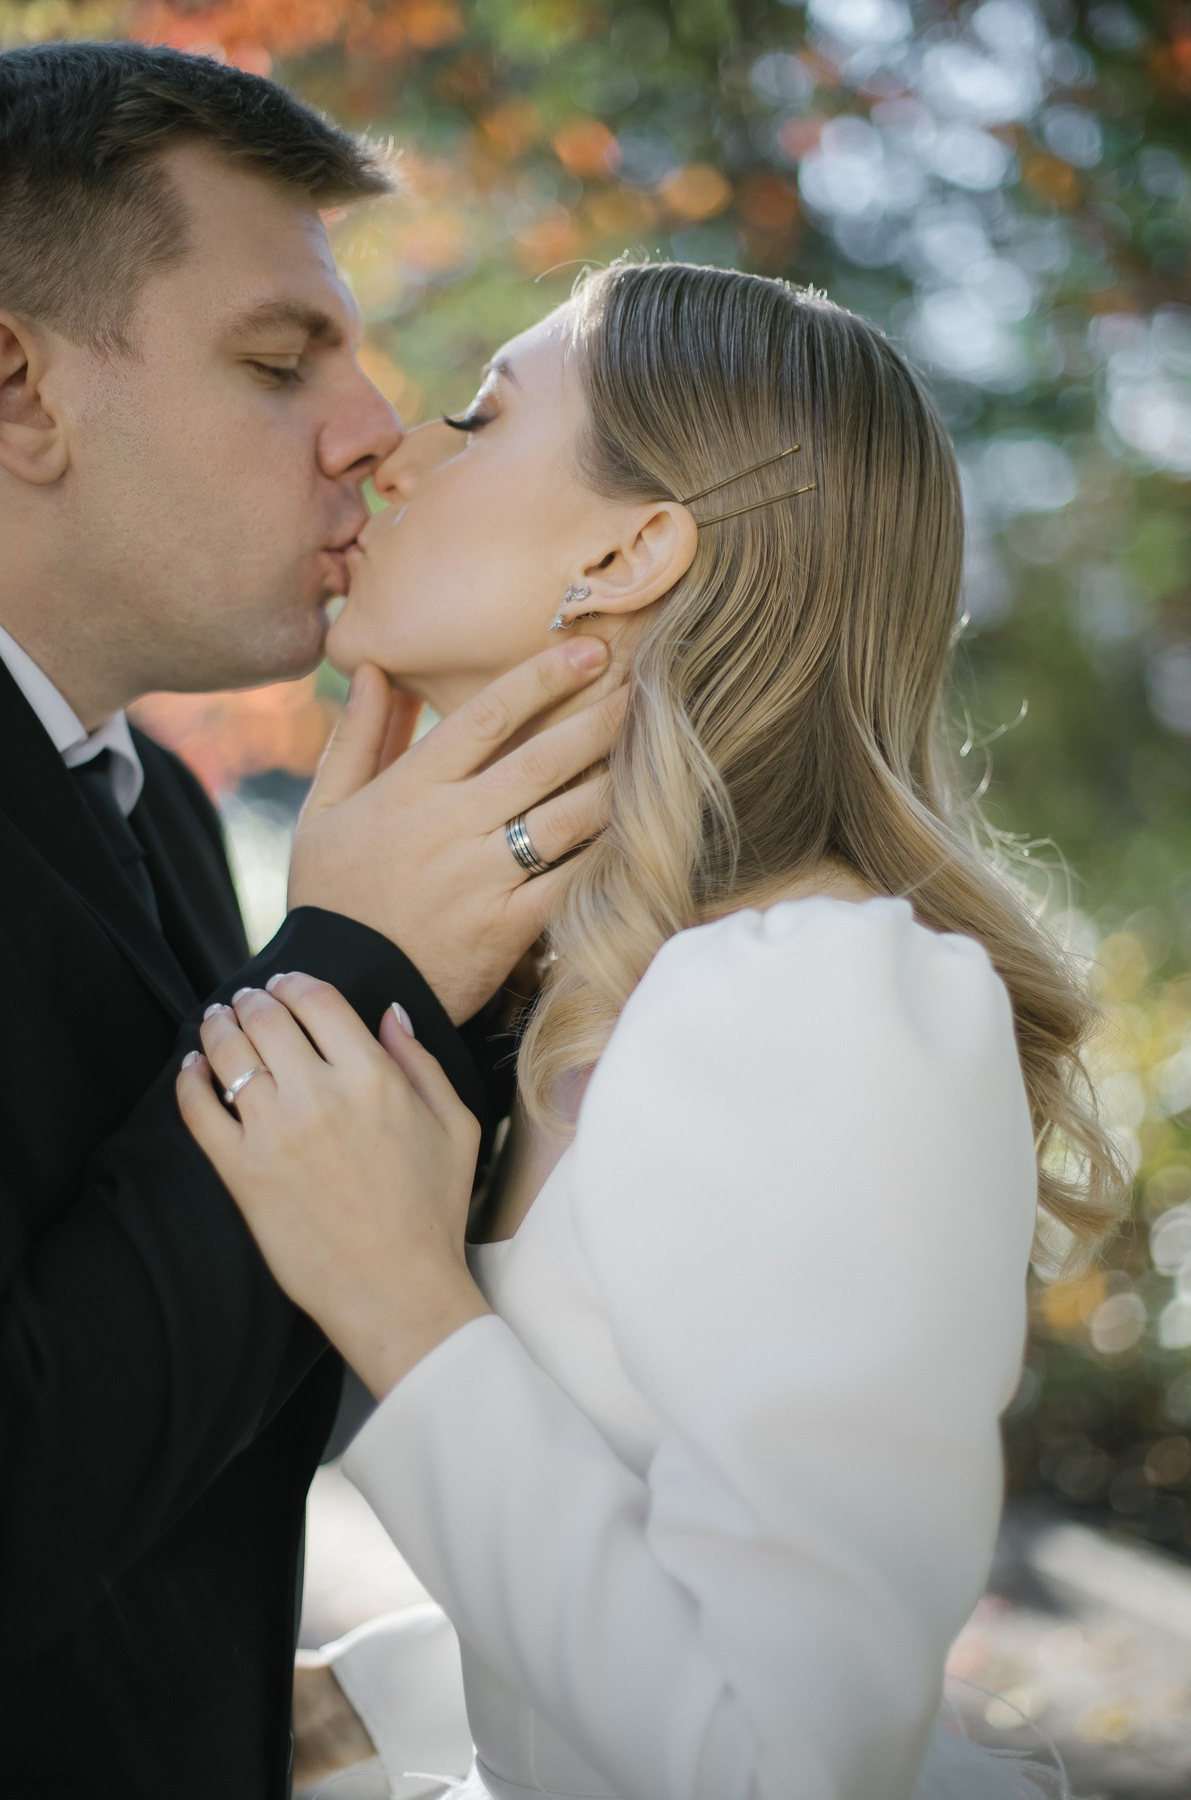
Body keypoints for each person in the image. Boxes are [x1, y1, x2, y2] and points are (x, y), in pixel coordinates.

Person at [177, 262, 1127, 1799]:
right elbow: (655, 1563)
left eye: (479, 416)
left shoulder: (818, 993)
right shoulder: (601, 997)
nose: (395, 453)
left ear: (634, 548)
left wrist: (405, 1305)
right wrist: (366, 1707)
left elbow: (788, 1765)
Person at [0, 41, 619, 1800]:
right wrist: (353, 969)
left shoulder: (163, 812)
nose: (376, 429)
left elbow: (208, 1391)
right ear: (17, 390)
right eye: (281, 361)